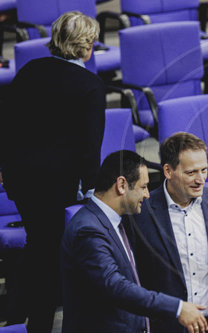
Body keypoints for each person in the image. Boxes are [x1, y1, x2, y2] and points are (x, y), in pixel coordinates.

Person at [0, 11, 105, 331]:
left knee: (40, 242)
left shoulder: (31, 69)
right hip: (55, 185)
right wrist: (93, 192)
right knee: (46, 249)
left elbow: (7, 124)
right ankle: (36, 319)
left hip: (19, 179)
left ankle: (20, 313)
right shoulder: (89, 84)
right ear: (88, 46)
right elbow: (90, 148)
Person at [61, 150, 208, 333]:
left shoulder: (116, 222)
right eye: (143, 187)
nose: (147, 195)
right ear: (122, 185)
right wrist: (177, 308)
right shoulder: (87, 230)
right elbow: (115, 286)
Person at [127, 132, 208, 333]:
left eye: (204, 170)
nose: (200, 179)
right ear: (168, 171)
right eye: (191, 173)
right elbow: (134, 281)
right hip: (169, 326)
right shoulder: (140, 213)